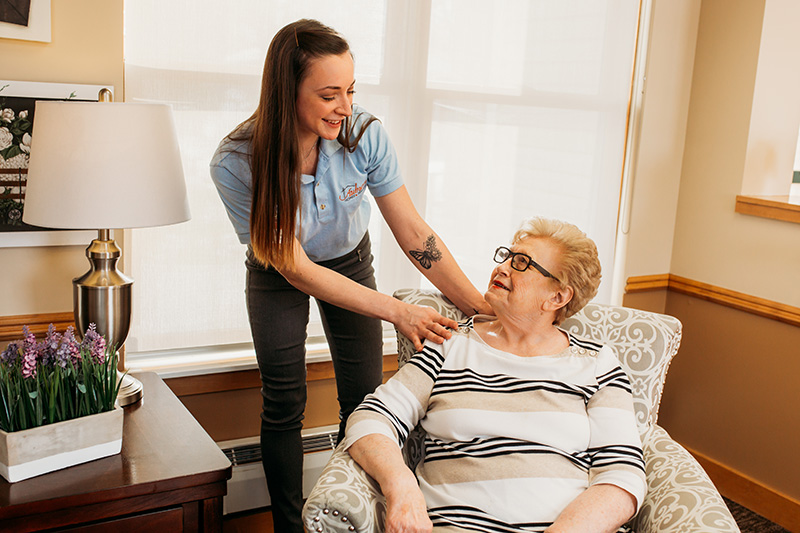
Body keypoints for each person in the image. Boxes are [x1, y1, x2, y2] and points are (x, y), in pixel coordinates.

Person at [209, 19, 491, 532]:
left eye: (351, 90)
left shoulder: (364, 134)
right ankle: (290, 527)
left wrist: (476, 303)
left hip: (349, 258)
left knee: (364, 401)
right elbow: (294, 267)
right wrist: (398, 310)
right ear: (285, 92)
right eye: (329, 93)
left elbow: (411, 232)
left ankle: (354, 517)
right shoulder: (236, 162)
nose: (345, 105)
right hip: (278, 272)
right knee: (284, 399)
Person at [345, 217, 647, 533]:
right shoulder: (449, 345)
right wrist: (402, 488)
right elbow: (370, 419)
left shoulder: (596, 364)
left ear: (557, 297)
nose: (502, 267)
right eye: (506, 257)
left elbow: (622, 473)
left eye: (521, 263)